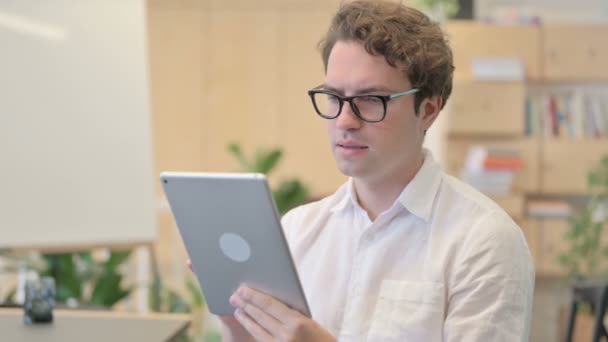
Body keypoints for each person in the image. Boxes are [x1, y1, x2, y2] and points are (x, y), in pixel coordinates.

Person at [208, 1, 535, 341]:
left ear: (428, 110)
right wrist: (237, 323)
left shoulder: (484, 241)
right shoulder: (297, 231)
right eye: (334, 97)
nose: (344, 121)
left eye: (371, 99)